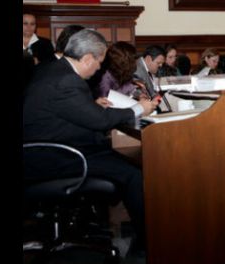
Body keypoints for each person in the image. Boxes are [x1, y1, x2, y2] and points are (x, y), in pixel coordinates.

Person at [23, 29, 157, 250]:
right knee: (133, 173)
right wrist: (138, 109)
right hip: (57, 156)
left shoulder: (52, 69)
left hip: (46, 149)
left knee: (121, 156)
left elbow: (64, 109)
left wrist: (90, 106)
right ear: (87, 58)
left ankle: (117, 224)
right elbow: (100, 121)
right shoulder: (67, 80)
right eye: (99, 62)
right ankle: (149, 245)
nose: (99, 68)